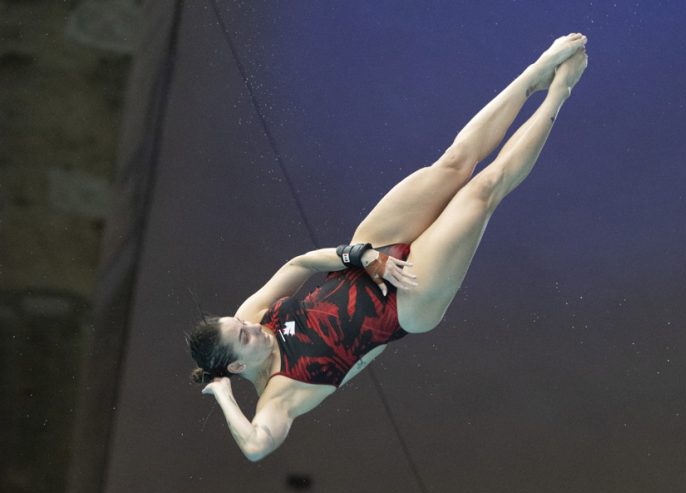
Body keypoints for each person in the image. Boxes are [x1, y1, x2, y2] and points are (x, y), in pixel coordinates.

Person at [187, 34, 588, 461]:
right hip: (407, 301)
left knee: (453, 163)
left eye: (239, 322)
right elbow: (255, 448)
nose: (250, 326)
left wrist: (358, 256)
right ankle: (560, 92)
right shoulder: (279, 396)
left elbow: (299, 262)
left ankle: (535, 74)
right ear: (235, 367)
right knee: (482, 191)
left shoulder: (252, 315)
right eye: (244, 337)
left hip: (366, 255)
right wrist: (224, 397)